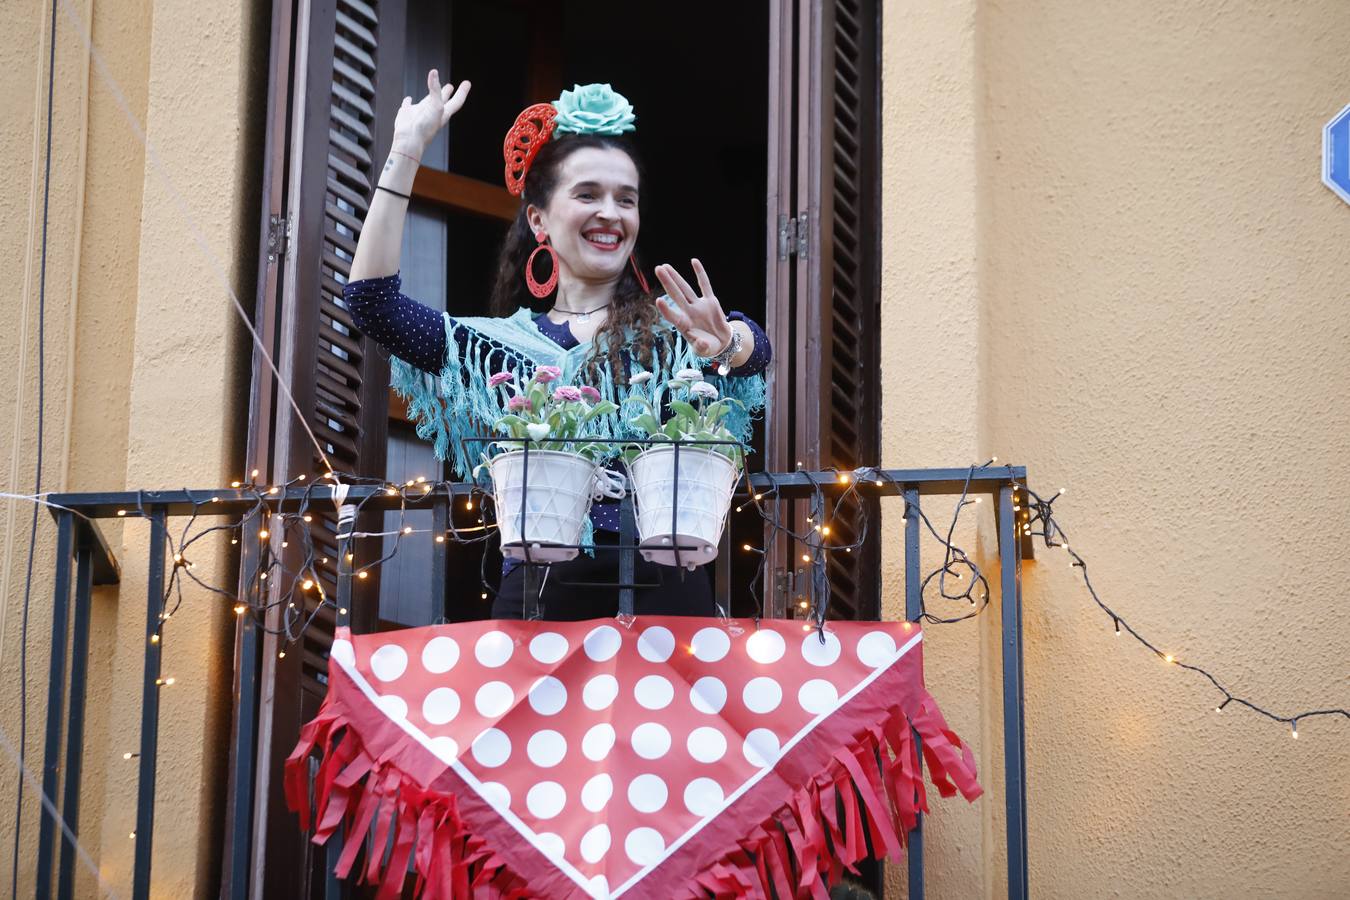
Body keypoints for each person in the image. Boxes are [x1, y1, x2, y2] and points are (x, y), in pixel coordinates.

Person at [343, 70, 772, 621]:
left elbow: (754, 350)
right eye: (588, 194)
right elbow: (372, 303)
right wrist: (404, 152)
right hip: (537, 609)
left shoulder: (677, 335)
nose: (611, 214)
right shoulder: (494, 349)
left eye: (627, 199)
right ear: (539, 219)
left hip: (669, 610)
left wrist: (726, 344)